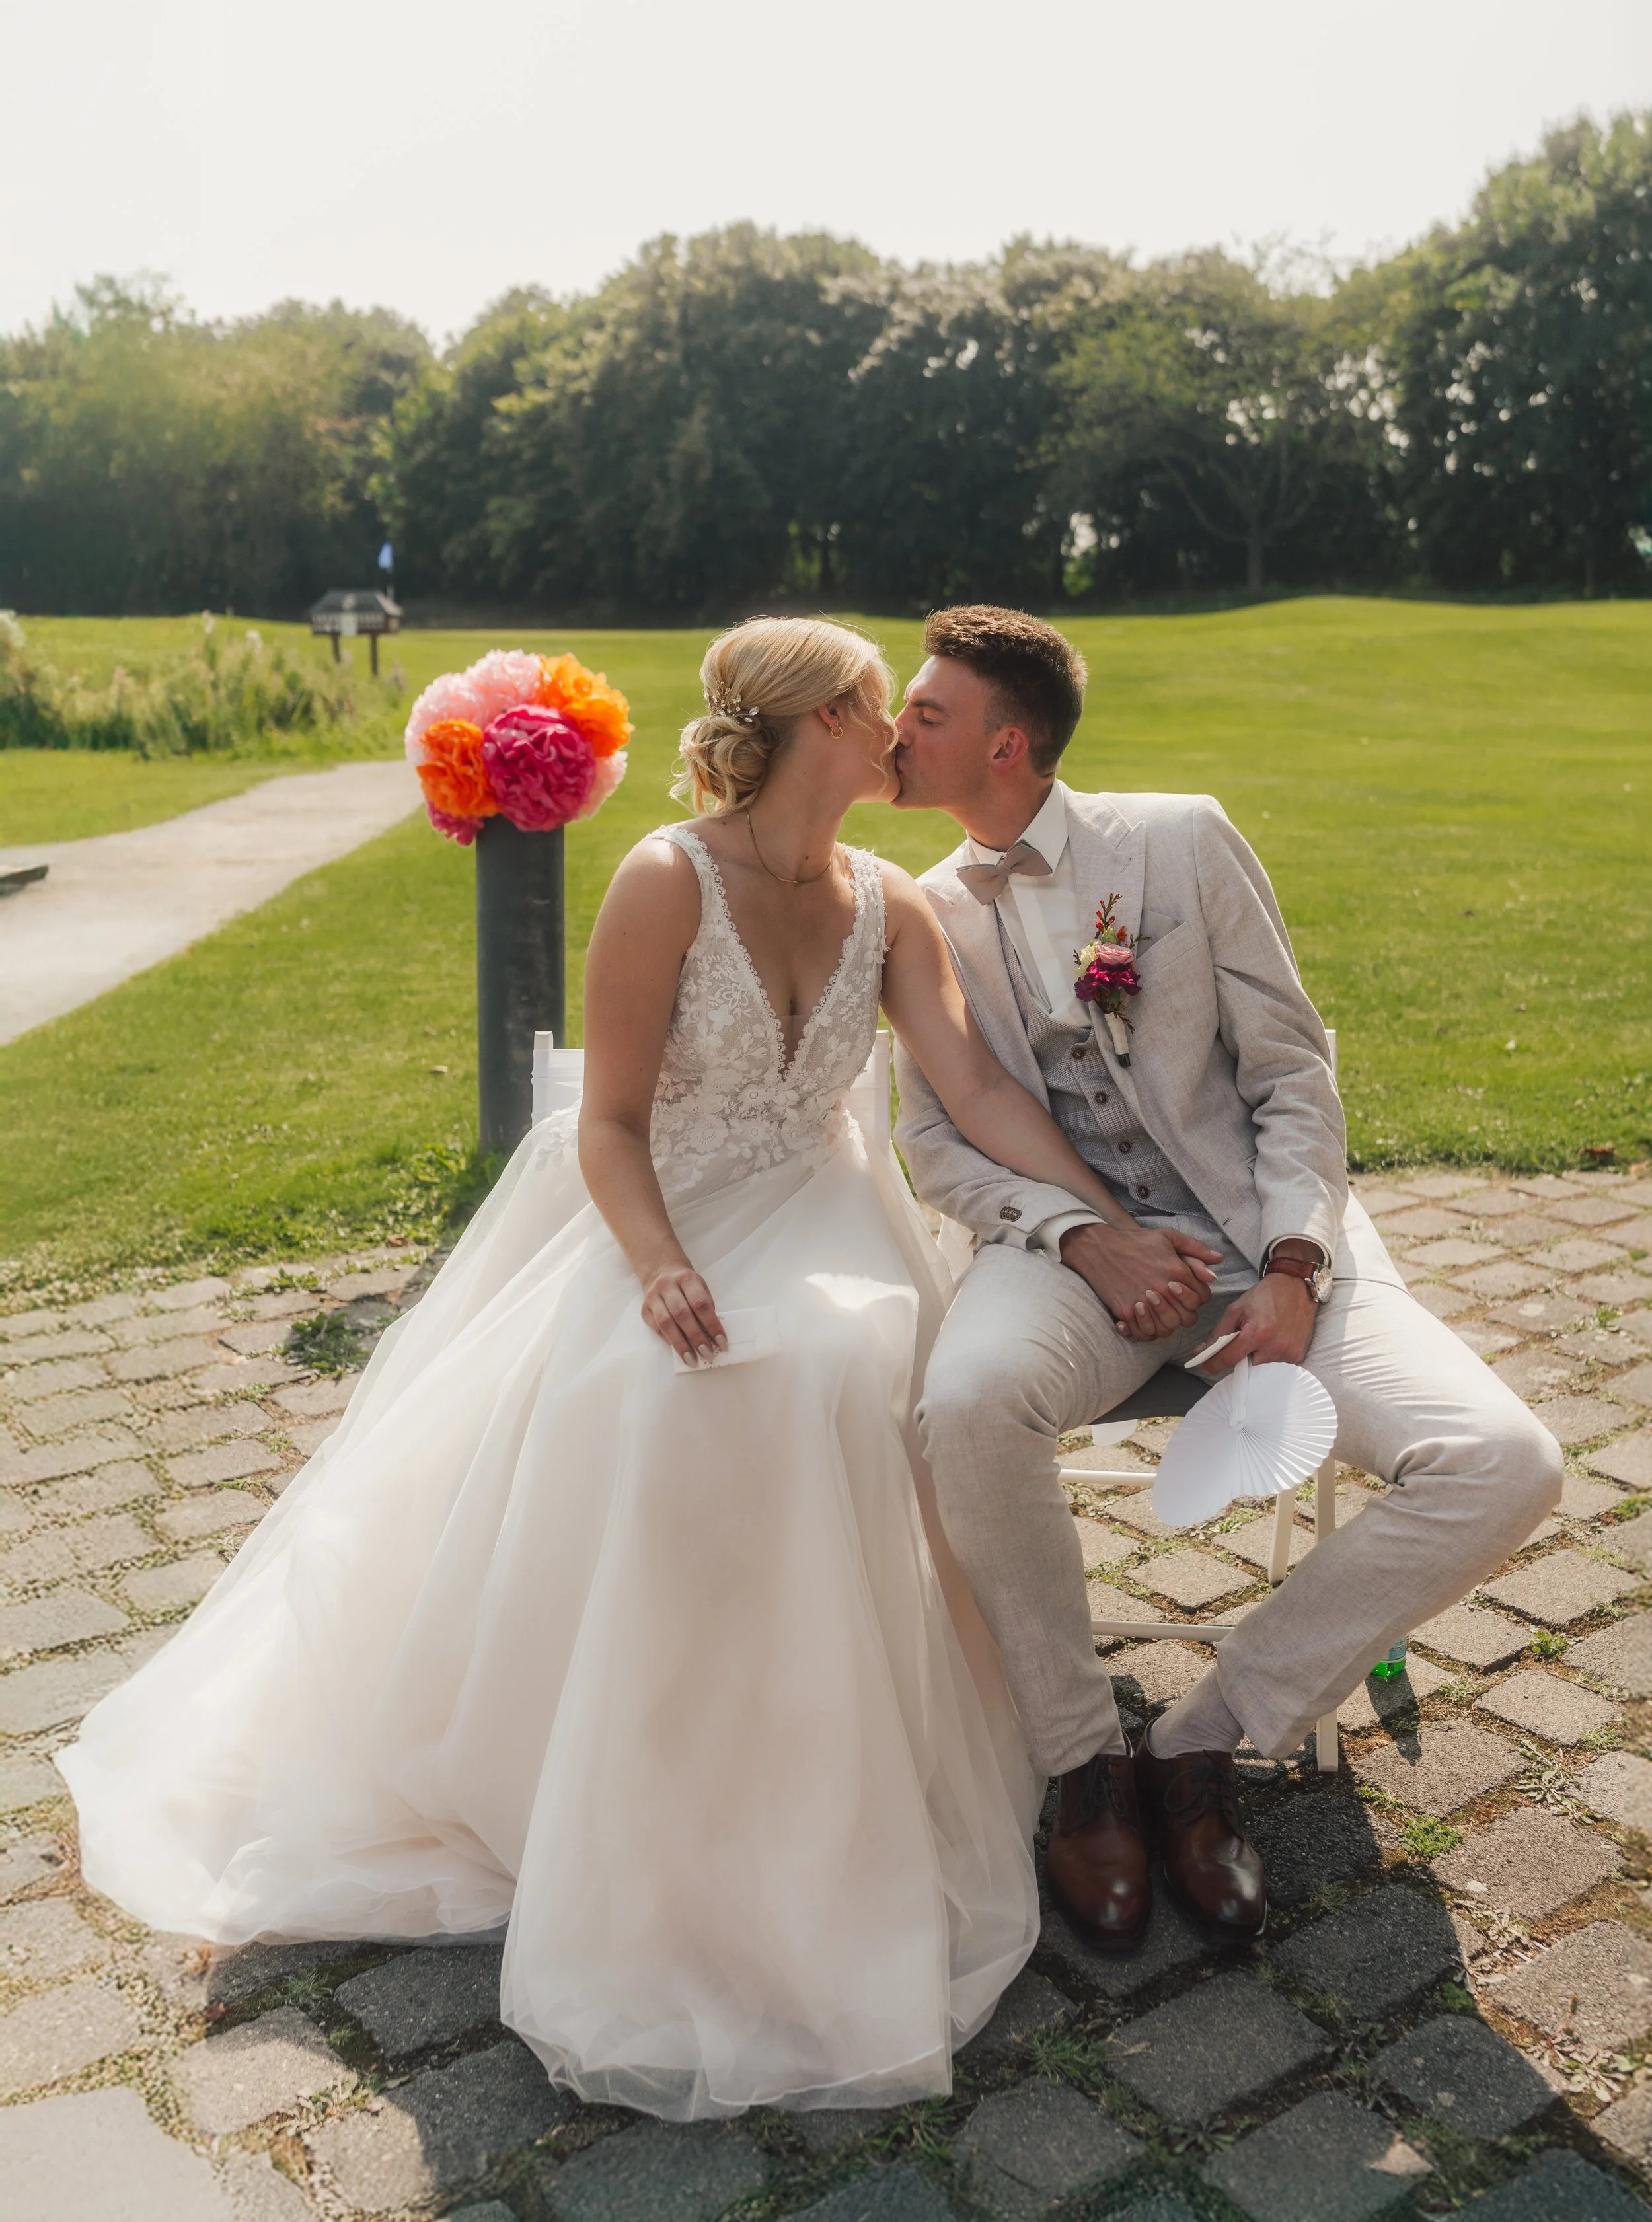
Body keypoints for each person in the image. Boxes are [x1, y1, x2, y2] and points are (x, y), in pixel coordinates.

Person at [59, 616, 1180, 2124]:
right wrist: (659, 1261)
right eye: (879, 709)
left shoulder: (892, 899)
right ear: (815, 725)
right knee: (673, 1388)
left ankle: (806, 1780)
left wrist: (1107, 1224)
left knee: (842, 1364)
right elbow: (606, 1122)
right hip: (665, 1209)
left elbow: (969, 1085)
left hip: (824, 1207)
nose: (903, 735)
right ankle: (633, 1781)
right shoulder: (669, 877)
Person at [890, 604, 1563, 1955]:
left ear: (1007, 742)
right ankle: (1081, 1764)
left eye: (924, 713)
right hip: (1070, 1264)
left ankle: (1199, 1747)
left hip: (1264, 1250)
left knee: (1503, 1458)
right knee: (960, 1405)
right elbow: (934, 1144)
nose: (892, 734)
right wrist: (1085, 1236)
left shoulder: (1179, 839)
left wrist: (1294, 1260)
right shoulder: (911, 911)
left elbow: (1290, 1073)